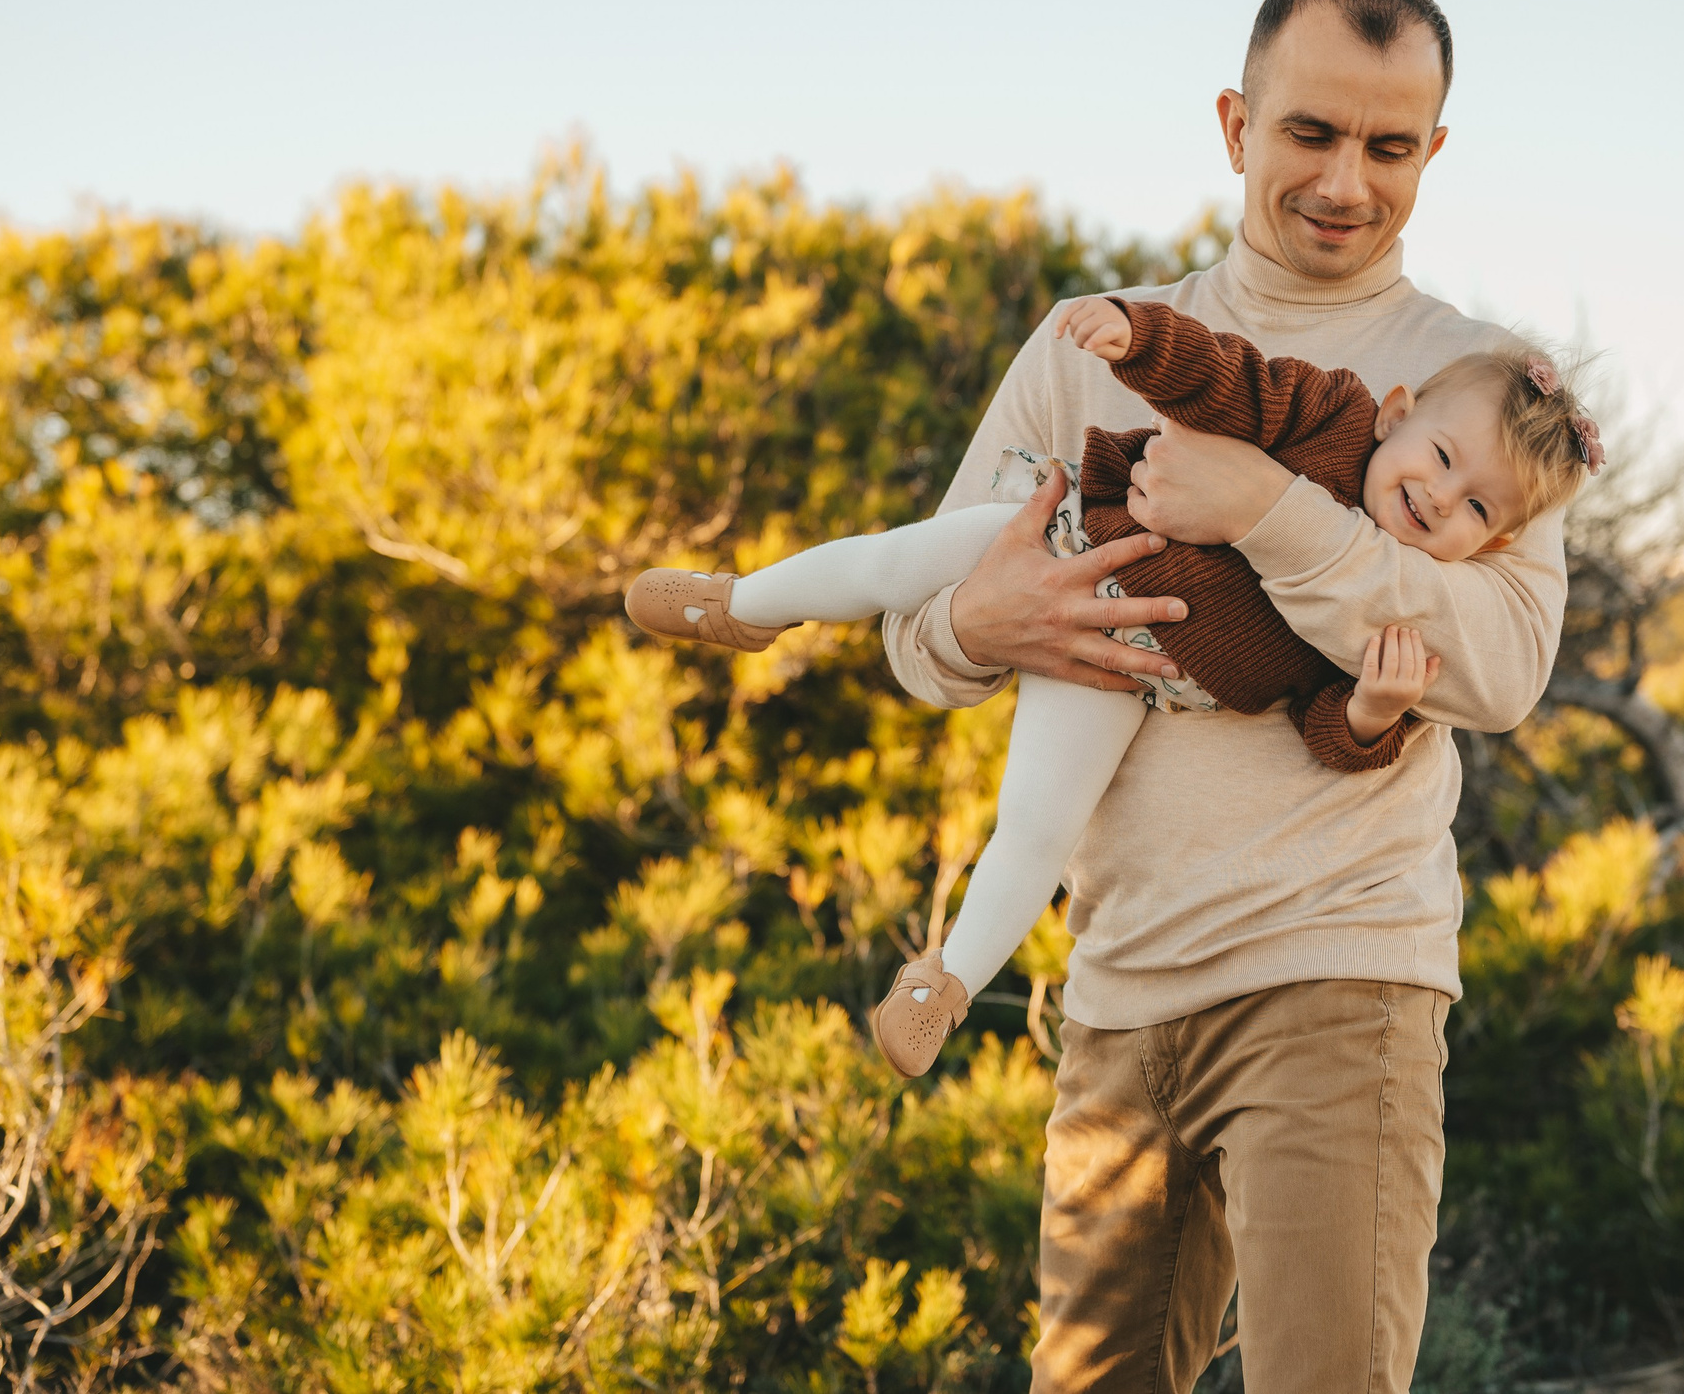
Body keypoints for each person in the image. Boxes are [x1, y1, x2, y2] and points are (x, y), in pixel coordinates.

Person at [881, 0, 1569, 1392]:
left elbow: (1500, 663)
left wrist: (1265, 506)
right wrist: (978, 626)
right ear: (1234, 123)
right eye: (1309, 132)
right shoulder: (1093, 343)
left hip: (1341, 969)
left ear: (1433, 152)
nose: (1344, 180)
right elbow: (916, 631)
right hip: (1118, 987)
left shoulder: (1479, 390)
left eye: (1390, 148)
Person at [623, 298, 1597, 1082]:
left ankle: (941, 984)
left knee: (1039, 825)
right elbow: (1230, 378)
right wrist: (1138, 339)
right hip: (1073, 539)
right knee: (898, 562)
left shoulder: (1388, 601)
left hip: (1126, 667)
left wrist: (1371, 714)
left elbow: (1322, 727)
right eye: (1437, 457)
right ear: (1392, 415)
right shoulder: (1329, 414)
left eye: (1475, 506)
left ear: (1495, 542)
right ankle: (743, 601)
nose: (1439, 495)